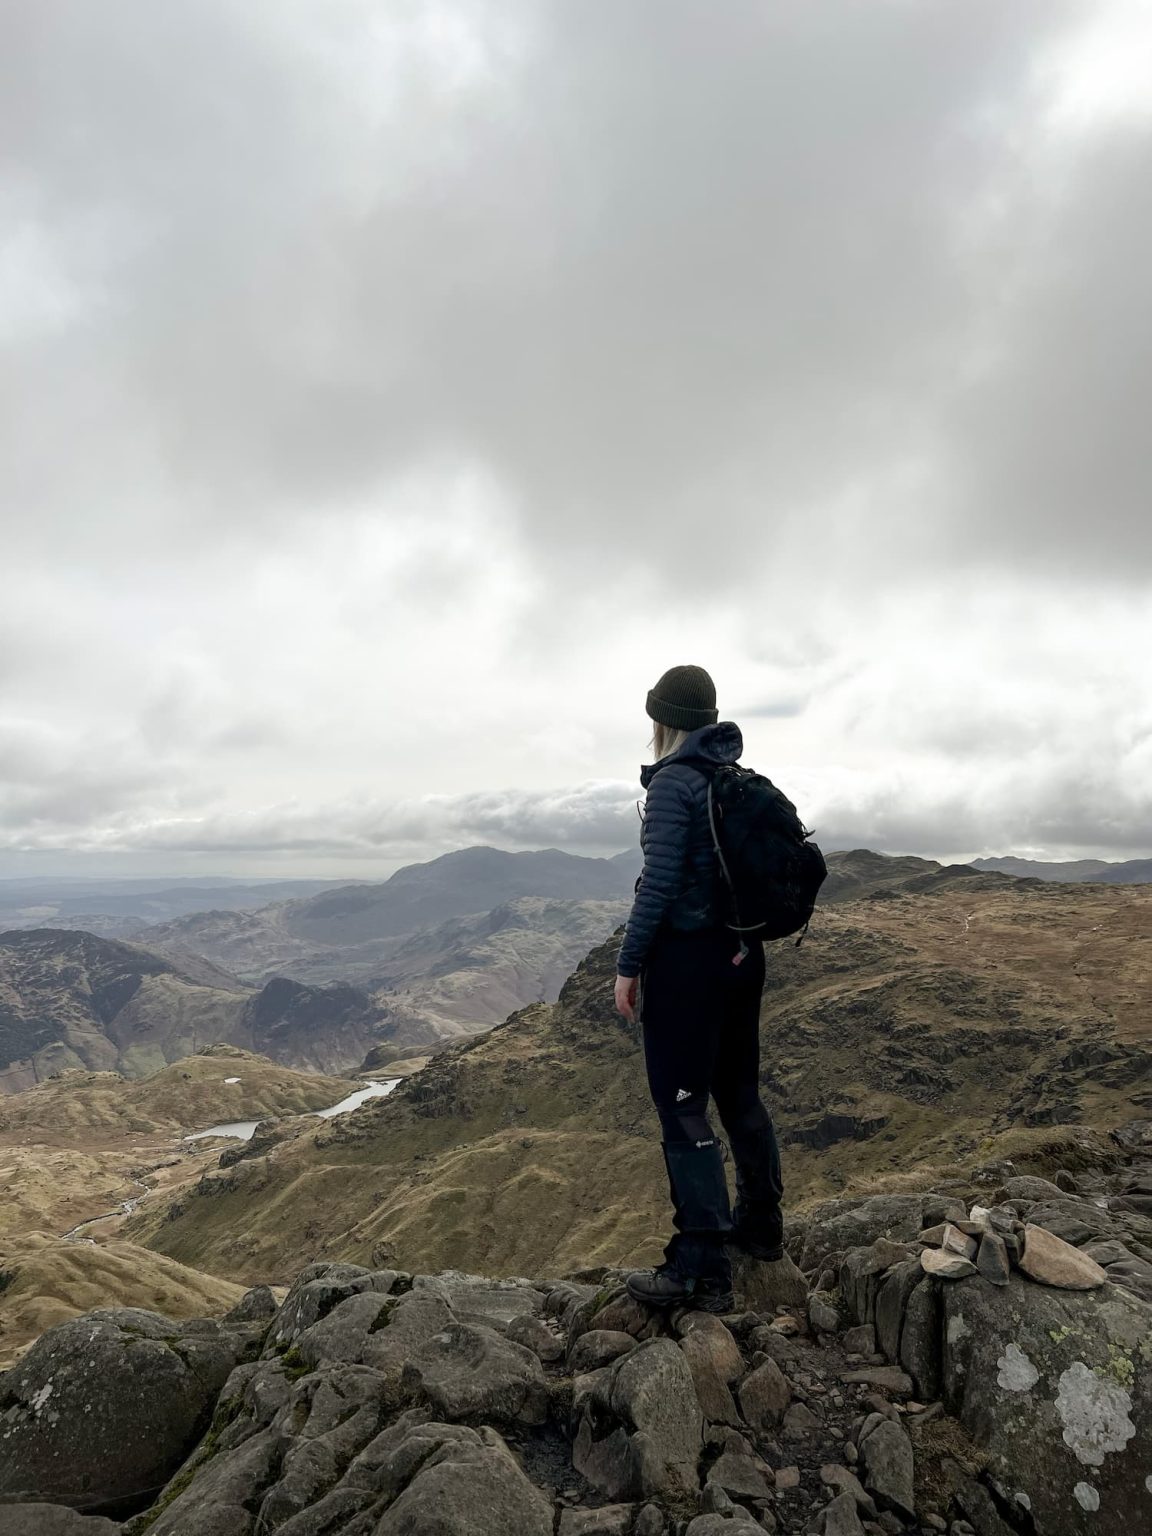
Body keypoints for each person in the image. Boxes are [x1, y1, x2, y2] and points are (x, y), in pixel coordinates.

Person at [614, 664, 785, 1312]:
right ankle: (762, 1228)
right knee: (739, 1093)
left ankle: (700, 1267)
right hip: (744, 956)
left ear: (663, 720)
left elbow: (657, 887)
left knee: (682, 1107)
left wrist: (629, 968)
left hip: (689, 967)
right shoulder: (730, 778)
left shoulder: (674, 786)